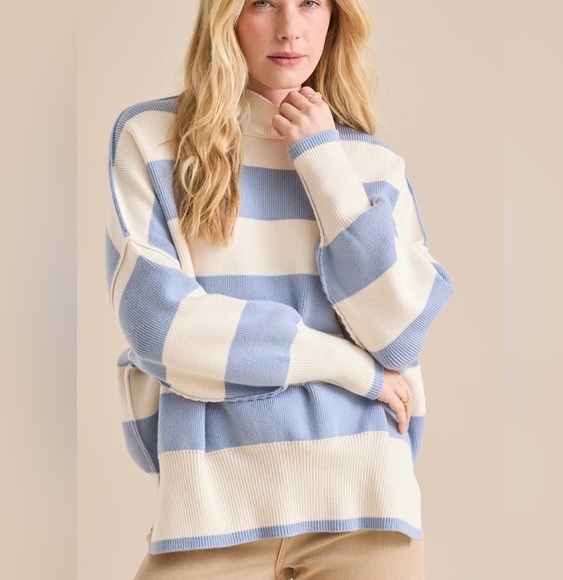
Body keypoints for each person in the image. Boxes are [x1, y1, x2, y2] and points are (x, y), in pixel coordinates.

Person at [106, 0, 456, 577]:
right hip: (211, 507)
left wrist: (325, 164)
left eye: (310, 2)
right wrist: (349, 367)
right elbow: (160, 328)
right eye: (263, 2)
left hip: (365, 510)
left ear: (335, 17)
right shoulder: (153, 140)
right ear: (225, 17)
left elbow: (397, 337)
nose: (290, 28)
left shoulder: (372, 165)